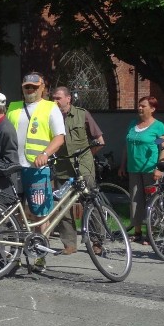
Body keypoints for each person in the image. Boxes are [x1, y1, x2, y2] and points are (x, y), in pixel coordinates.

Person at [5, 72, 65, 273]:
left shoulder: (50, 107)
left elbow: (59, 137)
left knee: (40, 214)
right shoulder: (13, 107)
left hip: (37, 169)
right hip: (14, 168)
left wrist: (45, 154)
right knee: (14, 213)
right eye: (26, 87)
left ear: (42, 87)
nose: (30, 90)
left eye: (34, 87)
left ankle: (40, 255)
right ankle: (16, 255)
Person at [50, 86, 105, 254]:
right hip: (62, 165)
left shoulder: (82, 114)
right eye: (54, 98)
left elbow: (100, 141)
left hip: (83, 166)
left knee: (90, 201)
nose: (55, 101)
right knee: (63, 204)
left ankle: (96, 241)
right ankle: (69, 244)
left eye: (58, 98)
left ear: (68, 99)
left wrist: (86, 156)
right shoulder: (51, 116)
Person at [119, 95, 164, 245]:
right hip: (134, 168)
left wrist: (159, 167)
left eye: (143, 106)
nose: (140, 108)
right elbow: (127, 146)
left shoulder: (158, 126)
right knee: (135, 200)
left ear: (152, 109)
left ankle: (152, 234)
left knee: (152, 203)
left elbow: (163, 147)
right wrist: (122, 165)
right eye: (139, 105)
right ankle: (138, 232)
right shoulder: (133, 124)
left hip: (151, 170)